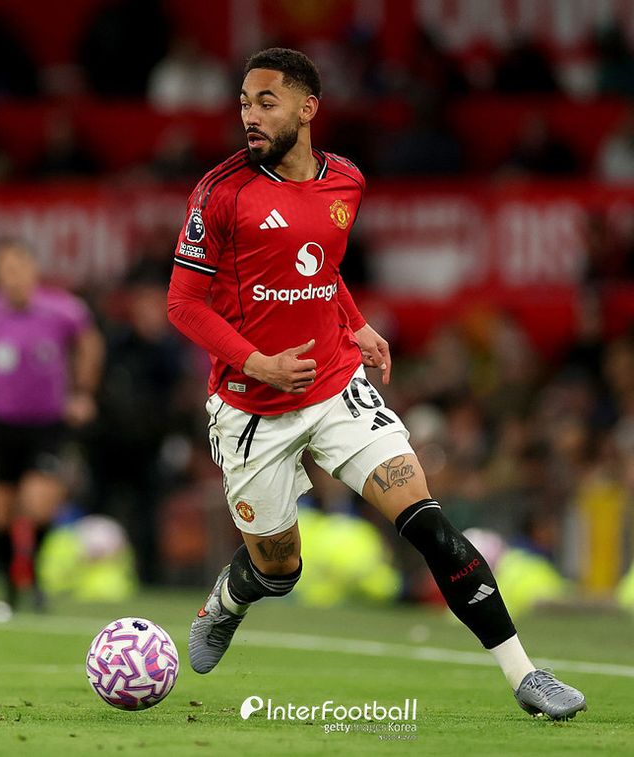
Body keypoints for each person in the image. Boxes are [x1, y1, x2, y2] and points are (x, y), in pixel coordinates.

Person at [167, 48, 587, 720]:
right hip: (252, 407)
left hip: (336, 387)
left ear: (308, 107)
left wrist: (355, 323)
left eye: (266, 101)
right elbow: (183, 303)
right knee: (280, 569)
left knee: (428, 522)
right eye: (244, 102)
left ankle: (527, 675)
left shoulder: (346, 181)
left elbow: (320, 265)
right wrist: (257, 363)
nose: (250, 115)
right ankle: (229, 599)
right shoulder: (220, 192)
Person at [0, 239, 103, 608]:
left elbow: (90, 344)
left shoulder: (62, 310)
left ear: (33, 269)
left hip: (46, 424)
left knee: (38, 505)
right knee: (0, 512)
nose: (12, 276)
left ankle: (34, 574)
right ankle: (10, 585)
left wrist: (83, 392)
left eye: (18, 267)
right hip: (0, 425)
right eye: (5, 269)